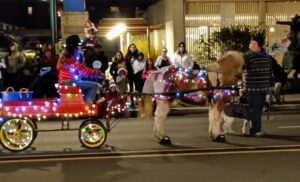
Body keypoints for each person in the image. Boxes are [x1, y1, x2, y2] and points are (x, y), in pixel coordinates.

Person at [243, 34, 275, 137]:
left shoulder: (249, 57)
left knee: (256, 110)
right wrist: (271, 85)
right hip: (258, 88)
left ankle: (255, 130)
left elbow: (270, 72)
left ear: (255, 45)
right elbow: (270, 73)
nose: (249, 44)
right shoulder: (265, 57)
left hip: (257, 88)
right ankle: (255, 130)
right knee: (256, 110)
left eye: (251, 43)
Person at [56, 34, 103, 104]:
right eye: (79, 45)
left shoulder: (65, 55)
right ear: (75, 46)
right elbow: (84, 70)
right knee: (94, 86)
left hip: (64, 82)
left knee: (87, 86)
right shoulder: (72, 57)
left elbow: (79, 71)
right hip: (70, 83)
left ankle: (84, 103)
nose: (80, 47)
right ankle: (86, 106)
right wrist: (97, 72)